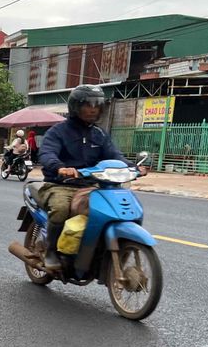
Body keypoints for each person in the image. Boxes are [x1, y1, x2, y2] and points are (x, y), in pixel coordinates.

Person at [38, 84, 146, 269]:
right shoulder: (58, 131)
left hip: (94, 186)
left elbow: (114, 155)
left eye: (97, 105)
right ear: (75, 106)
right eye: (88, 105)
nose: (93, 109)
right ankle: (51, 251)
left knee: (117, 210)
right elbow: (47, 153)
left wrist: (133, 167)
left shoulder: (99, 134)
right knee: (61, 209)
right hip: (61, 185)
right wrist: (60, 167)